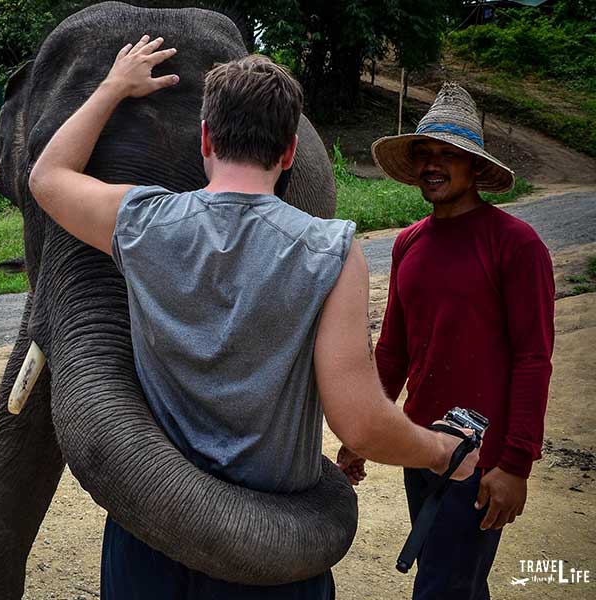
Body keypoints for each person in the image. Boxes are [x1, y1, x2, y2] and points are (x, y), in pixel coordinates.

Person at [29, 37, 479, 599]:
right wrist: (445, 450)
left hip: (150, 536)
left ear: (205, 139)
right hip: (269, 556)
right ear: (291, 152)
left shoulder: (144, 223)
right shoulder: (330, 251)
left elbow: (46, 178)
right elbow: (359, 425)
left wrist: (114, 85)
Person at [368, 83, 555, 599]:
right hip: (421, 447)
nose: (434, 164)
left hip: (482, 460)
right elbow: (394, 352)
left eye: (450, 155)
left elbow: (533, 360)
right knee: (457, 583)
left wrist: (514, 464)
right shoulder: (408, 243)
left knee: (441, 587)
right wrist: (365, 434)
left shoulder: (516, 246)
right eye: (426, 153)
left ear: (475, 168)